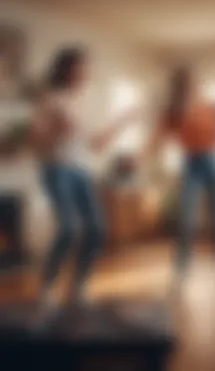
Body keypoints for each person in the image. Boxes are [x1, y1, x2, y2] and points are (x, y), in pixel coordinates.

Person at [30, 47, 138, 313]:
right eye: (81, 67)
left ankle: (78, 288)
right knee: (69, 228)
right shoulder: (51, 99)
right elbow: (35, 139)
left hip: (82, 171)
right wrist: (56, 130)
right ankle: (47, 285)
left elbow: (97, 145)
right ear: (67, 70)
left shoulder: (84, 103)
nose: (86, 72)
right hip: (56, 168)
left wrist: (123, 121)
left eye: (87, 67)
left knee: (98, 228)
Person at [142, 67, 215, 290]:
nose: (186, 88)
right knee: (186, 221)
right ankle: (181, 273)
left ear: (196, 85)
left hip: (213, 161)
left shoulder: (209, 106)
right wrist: (142, 155)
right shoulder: (171, 112)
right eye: (181, 85)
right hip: (190, 163)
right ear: (176, 88)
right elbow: (157, 139)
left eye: (190, 84)